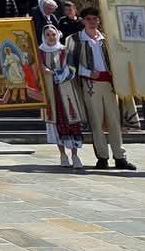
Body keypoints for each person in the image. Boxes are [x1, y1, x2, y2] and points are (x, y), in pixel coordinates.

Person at [70, 9, 134, 171]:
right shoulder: (75, 40)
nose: (92, 22)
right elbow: (70, 64)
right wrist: (87, 72)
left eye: (95, 19)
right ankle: (102, 157)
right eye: (88, 19)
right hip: (90, 85)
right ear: (83, 21)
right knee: (96, 121)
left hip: (110, 84)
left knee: (114, 120)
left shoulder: (107, 39)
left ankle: (120, 156)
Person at [35, 23, 86, 170]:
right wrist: (41, 69)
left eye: (53, 34)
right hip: (51, 91)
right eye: (48, 35)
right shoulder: (39, 52)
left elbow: (72, 68)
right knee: (55, 121)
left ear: (57, 35)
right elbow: (34, 71)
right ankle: (63, 154)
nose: (51, 37)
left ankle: (75, 155)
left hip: (67, 89)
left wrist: (57, 74)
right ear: (44, 37)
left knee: (72, 120)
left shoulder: (65, 50)